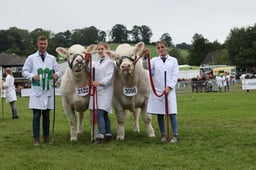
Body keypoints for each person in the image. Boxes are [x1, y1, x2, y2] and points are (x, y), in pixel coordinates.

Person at [22, 35, 60, 146]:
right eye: (41, 43)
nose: (43, 46)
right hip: (37, 90)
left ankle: (47, 137)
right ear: (37, 44)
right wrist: (33, 76)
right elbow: (24, 71)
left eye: (45, 44)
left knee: (47, 116)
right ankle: (36, 139)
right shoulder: (31, 58)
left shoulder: (52, 58)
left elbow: (58, 70)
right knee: (36, 116)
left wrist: (56, 75)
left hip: (48, 90)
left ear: (47, 44)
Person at [143, 40, 179, 143]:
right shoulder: (154, 60)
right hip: (158, 90)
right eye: (158, 48)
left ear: (166, 48)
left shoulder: (173, 60)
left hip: (169, 91)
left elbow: (175, 75)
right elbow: (146, 66)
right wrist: (145, 57)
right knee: (160, 113)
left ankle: (175, 135)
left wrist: (169, 87)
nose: (160, 49)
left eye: (162, 47)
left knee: (172, 113)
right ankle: (163, 134)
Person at [89, 42, 115, 144]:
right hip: (97, 90)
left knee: (99, 112)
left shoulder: (110, 62)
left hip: (105, 91)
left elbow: (110, 76)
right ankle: (108, 134)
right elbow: (90, 68)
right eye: (98, 49)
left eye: (102, 49)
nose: (100, 51)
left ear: (107, 49)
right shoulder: (97, 62)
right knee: (104, 114)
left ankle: (100, 136)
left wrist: (100, 82)